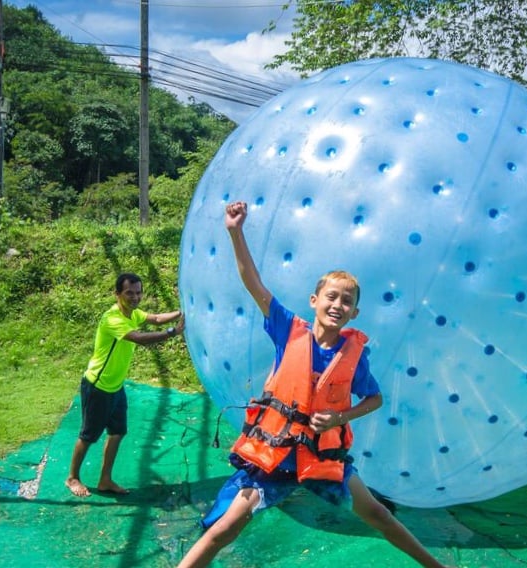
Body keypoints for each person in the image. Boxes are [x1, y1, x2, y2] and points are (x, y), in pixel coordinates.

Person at [176, 202, 446, 567]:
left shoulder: (353, 354)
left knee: (379, 515)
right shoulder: (289, 331)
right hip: (273, 458)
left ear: (355, 313)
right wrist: (235, 232)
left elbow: (375, 398)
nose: (338, 304)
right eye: (331, 297)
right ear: (314, 301)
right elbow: (253, 283)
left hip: (322, 458)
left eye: (346, 301)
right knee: (224, 529)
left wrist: (339, 418)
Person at [65, 272, 185, 498]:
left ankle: (105, 480)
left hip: (116, 387)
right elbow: (138, 338)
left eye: (138, 292)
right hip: (98, 386)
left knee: (117, 432)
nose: (135, 297)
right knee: (88, 435)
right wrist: (173, 332)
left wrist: (182, 312)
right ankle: (72, 478)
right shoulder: (113, 319)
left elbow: (157, 318)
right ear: (117, 294)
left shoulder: (134, 313)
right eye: (129, 293)